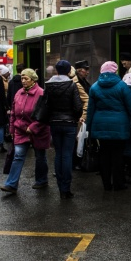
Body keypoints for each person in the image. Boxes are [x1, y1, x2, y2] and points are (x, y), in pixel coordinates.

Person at [87, 61, 131, 191]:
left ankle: (106, 184)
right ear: (115, 72)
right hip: (120, 126)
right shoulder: (122, 86)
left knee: (104, 155)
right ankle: (119, 184)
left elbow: (90, 110)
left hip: (100, 125)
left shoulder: (94, 87)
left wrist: (89, 127)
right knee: (118, 156)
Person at [1, 68, 50, 195]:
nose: (23, 81)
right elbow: (13, 113)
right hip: (21, 129)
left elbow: (44, 115)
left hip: (37, 131)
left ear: (33, 80)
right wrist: (11, 129)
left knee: (40, 157)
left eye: (26, 78)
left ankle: (42, 180)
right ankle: (11, 184)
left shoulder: (41, 93)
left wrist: (33, 127)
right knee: (18, 156)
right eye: (22, 78)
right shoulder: (19, 93)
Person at [39, 60, 84, 198]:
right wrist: (76, 118)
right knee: (67, 155)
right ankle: (66, 188)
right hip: (69, 123)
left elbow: (45, 104)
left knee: (58, 154)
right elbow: (78, 106)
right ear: (69, 71)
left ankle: (60, 186)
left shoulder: (49, 85)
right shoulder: (72, 85)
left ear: (56, 70)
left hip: (54, 123)